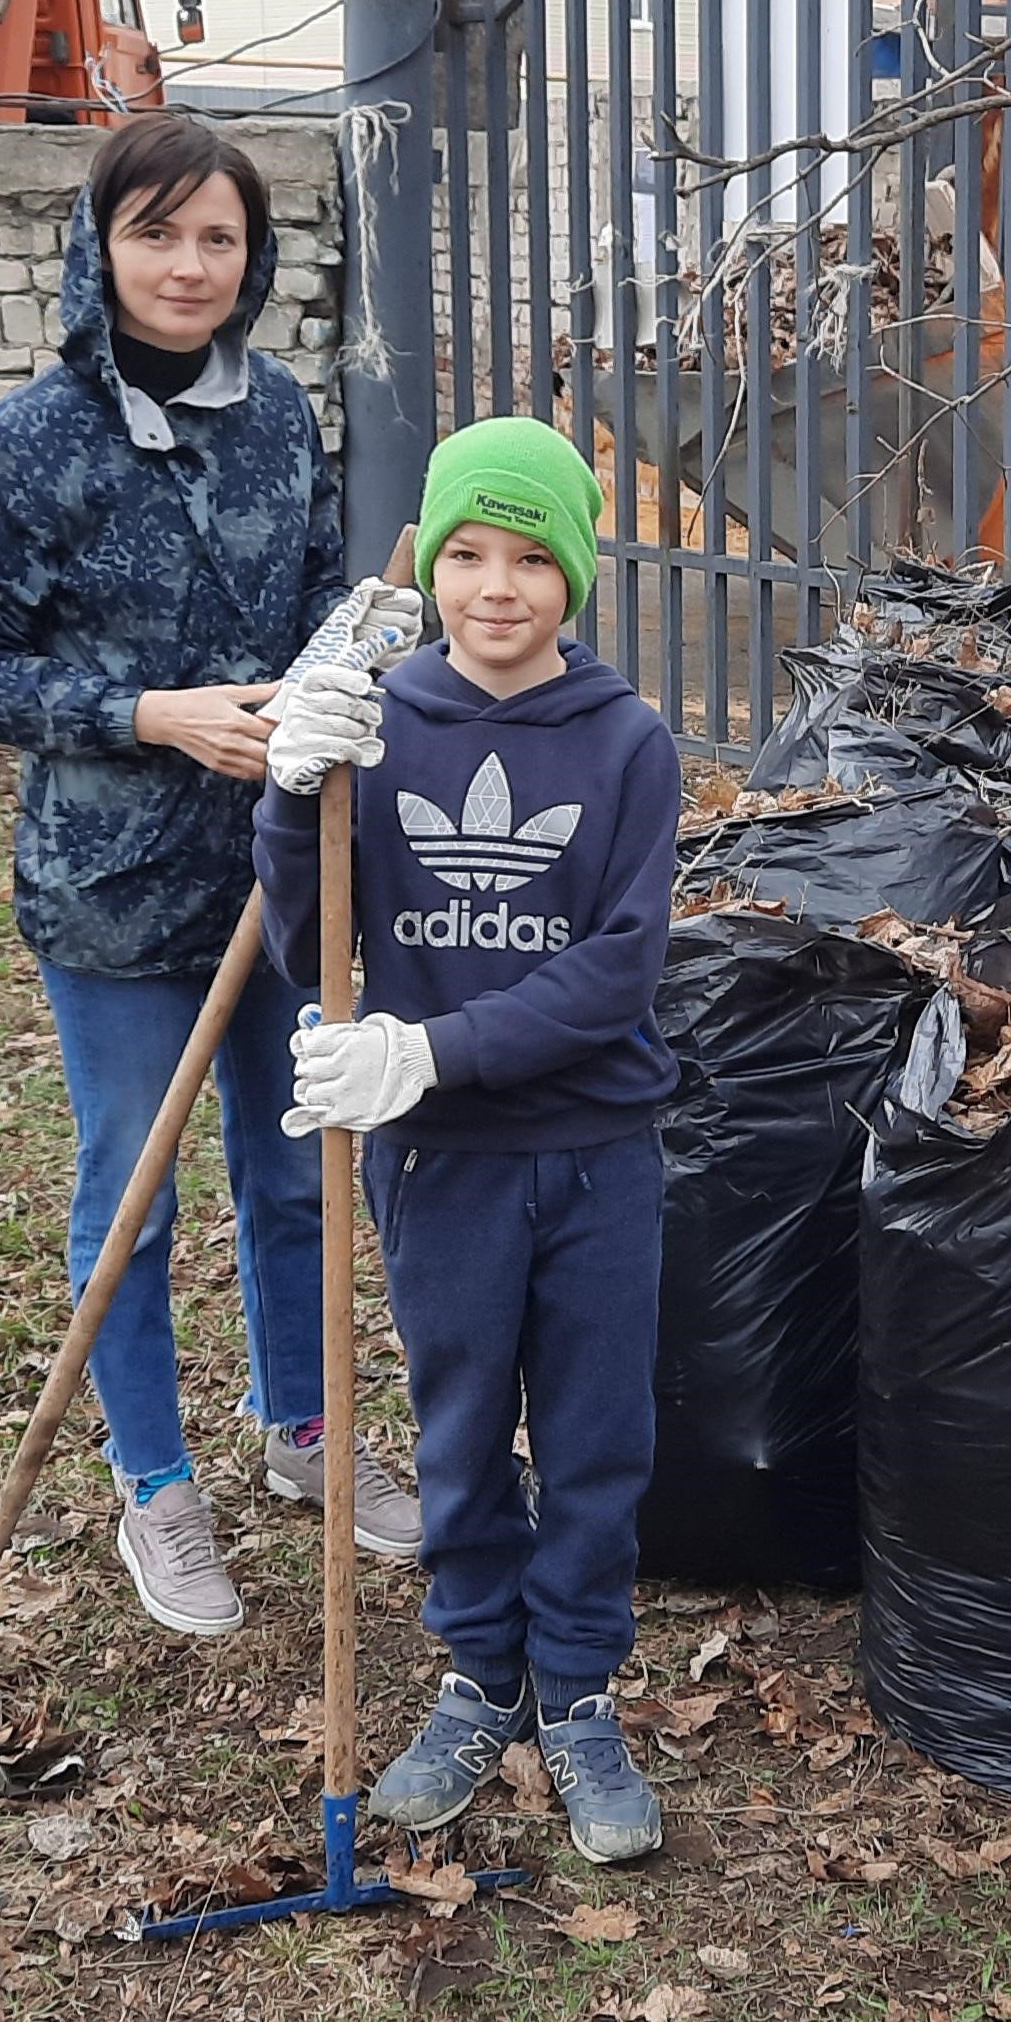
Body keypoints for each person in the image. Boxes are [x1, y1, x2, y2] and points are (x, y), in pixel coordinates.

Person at [0, 113, 423, 1640]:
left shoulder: (279, 412)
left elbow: (327, 600)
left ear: (252, 254)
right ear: (101, 246)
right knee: (132, 1194)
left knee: (293, 1171)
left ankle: (306, 1434)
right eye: (158, 233)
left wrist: (348, 674)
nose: (191, 265)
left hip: (281, 869)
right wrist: (152, 715)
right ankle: (154, 1480)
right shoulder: (30, 440)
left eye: (219, 237)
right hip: (114, 882)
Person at [254, 416, 684, 1866]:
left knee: (595, 1431)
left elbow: (616, 968)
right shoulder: (381, 722)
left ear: (576, 572)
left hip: (596, 1146)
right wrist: (287, 795)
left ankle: (576, 1687)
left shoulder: (626, 743)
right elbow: (309, 935)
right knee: (453, 1430)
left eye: (532, 558)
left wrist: (425, 1047)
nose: (498, 588)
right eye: (468, 555)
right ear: (432, 563)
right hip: (440, 1162)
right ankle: (478, 1670)